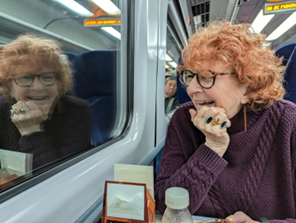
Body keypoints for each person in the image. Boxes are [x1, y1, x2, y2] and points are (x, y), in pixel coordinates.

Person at [155, 20, 296, 223]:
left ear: (248, 87)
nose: (192, 89)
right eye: (190, 76)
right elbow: (165, 205)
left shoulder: (288, 122)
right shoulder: (183, 120)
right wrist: (212, 147)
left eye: (206, 77)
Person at [0, 34, 91, 169]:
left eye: (47, 77)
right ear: (9, 87)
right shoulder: (1, 109)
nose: (38, 87)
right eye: (25, 78)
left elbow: (61, 179)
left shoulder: (76, 111)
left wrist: (31, 131)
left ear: (60, 85)